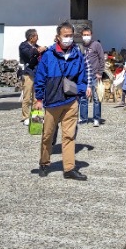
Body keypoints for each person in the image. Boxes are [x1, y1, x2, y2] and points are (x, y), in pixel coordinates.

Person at [34, 22, 88, 180]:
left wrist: (80, 91)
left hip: (71, 101)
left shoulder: (77, 54)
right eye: (66, 35)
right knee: (47, 135)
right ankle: (44, 162)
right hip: (52, 101)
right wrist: (39, 98)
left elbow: (83, 77)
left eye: (71, 35)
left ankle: (69, 168)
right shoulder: (48, 55)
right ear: (58, 37)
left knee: (69, 135)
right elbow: (40, 77)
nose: (69, 38)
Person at [79, 25, 105, 128]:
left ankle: (96, 118)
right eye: (84, 35)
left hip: (95, 75)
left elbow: (101, 58)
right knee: (83, 98)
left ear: (91, 35)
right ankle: (83, 118)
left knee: (96, 98)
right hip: (83, 76)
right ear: (81, 36)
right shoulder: (80, 47)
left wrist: (100, 72)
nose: (86, 36)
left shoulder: (96, 45)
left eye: (88, 35)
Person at [18, 28, 44, 127]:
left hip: (37, 73)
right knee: (27, 97)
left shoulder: (37, 46)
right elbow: (30, 53)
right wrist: (39, 50)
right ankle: (25, 117)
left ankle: (36, 117)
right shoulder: (23, 46)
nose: (38, 38)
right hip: (27, 73)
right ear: (31, 37)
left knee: (36, 97)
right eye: (36, 36)